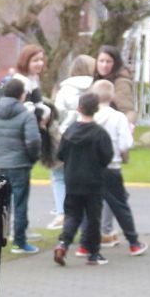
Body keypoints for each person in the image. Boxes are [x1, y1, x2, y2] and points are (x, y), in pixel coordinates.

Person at [53, 91, 115, 266]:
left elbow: (61, 154)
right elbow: (106, 156)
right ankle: (93, 253)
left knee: (72, 215)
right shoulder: (100, 133)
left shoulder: (70, 131)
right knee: (93, 217)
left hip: (72, 179)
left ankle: (63, 243)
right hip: (93, 181)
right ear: (96, 109)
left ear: (79, 108)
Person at [0, 76, 43, 254]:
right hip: (20, 164)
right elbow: (33, 141)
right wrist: (32, 158)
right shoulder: (26, 115)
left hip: (0, 164)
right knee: (20, 204)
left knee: (2, 204)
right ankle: (20, 241)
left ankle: (0, 237)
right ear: (21, 95)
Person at [89, 79, 147, 255]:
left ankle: (88, 243)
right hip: (112, 166)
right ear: (112, 95)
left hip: (90, 167)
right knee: (120, 205)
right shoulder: (118, 117)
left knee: (90, 205)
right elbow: (125, 144)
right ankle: (133, 242)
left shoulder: (88, 115)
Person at [47, 56, 95, 227]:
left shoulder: (65, 89)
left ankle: (62, 212)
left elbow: (57, 114)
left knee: (59, 175)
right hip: (89, 135)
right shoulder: (95, 86)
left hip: (67, 136)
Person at [95, 48, 138, 120]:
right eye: (101, 61)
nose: (104, 65)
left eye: (108, 62)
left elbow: (127, 111)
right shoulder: (97, 79)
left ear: (116, 63)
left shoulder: (121, 82)